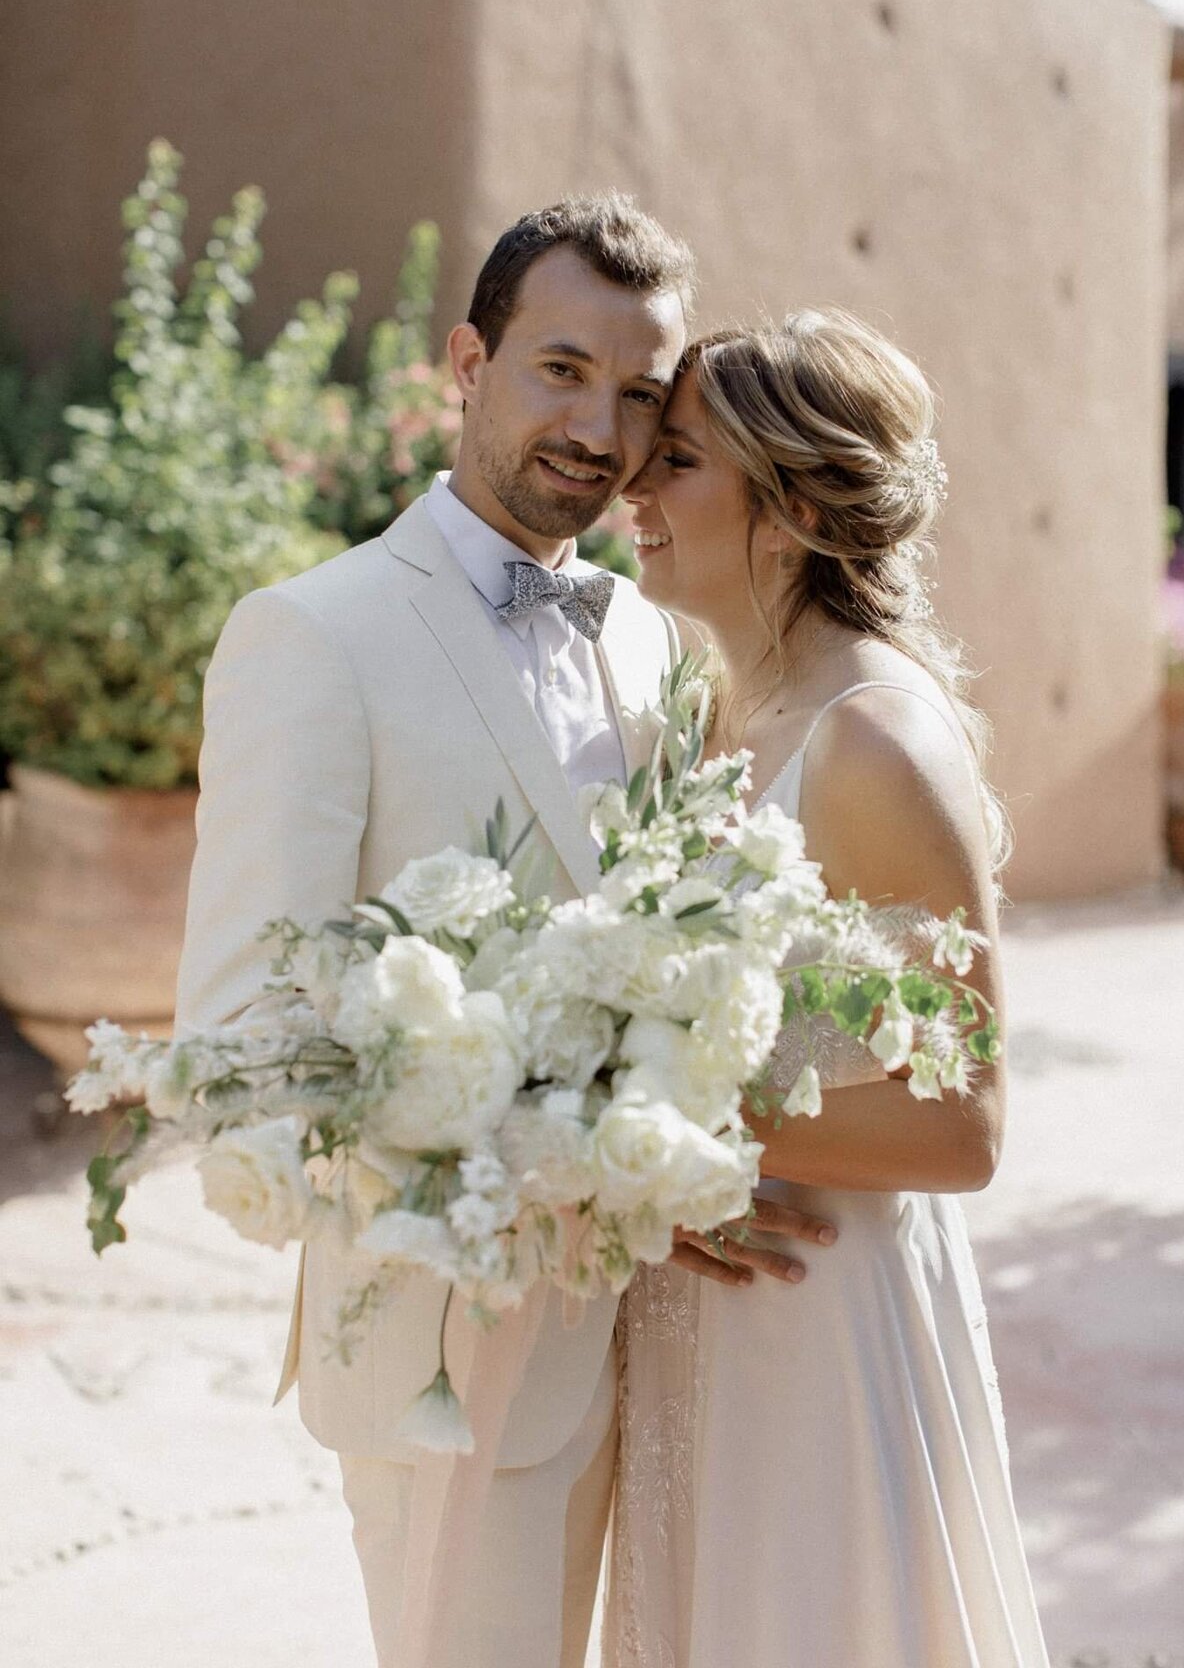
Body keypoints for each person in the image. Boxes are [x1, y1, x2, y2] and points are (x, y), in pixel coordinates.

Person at [173, 196, 831, 1668]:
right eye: (560, 369)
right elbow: (241, 1058)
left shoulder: (660, 638)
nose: (601, 428)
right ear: (468, 361)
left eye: (641, 394)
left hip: (666, 1339)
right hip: (443, 1349)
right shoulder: (314, 636)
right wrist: (551, 1168)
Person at [609, 312, 1050, 1666]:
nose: (635, 487)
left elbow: (964, 1126)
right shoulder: (711, 709)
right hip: (702, 1313)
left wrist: (657, 1133)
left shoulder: (872, 744)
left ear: (790, 509)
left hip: (819, 1329)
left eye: (676, 459)